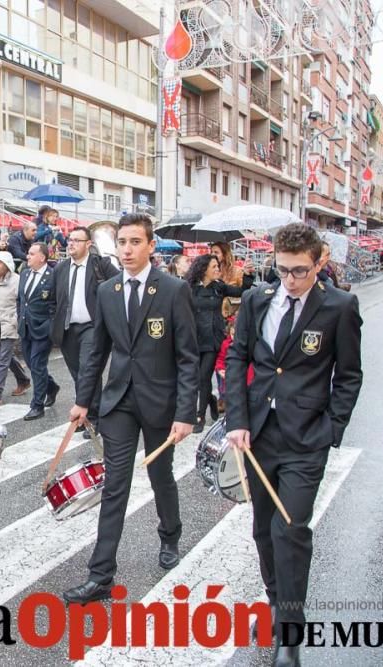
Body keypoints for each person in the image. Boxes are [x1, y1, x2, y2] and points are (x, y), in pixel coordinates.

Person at [225, 223, 363, 666]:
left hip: (306, 439)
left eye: (300, 271)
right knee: (264, 529)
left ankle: (290, 631)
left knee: (292, 530)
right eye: (283, 270)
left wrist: (331, 429)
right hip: (260, 434)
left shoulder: (339, 306)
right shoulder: (256, 299)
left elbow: (349, 374)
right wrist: (237, 420)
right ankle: (273, 600)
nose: (290, 280)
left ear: (319, 262)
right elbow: (238, 357)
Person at [62, 213, 198, 604]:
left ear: (151, 246)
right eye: (122, 242)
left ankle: (170, 534)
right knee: (115, 485)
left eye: (135, 242)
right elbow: (96, 351)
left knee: (161, 477)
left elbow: (188, 357)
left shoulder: (173, 290)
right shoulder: (107, 291)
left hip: (161, 403)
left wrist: (186, 412)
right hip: (119, 401)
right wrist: (83, 400)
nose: (127, 249)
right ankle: (100, 574)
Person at [52, 226, 119, 433]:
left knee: (88, 370)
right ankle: (84, 410)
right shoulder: (61, 268)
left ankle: (94, 417)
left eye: (76, 240)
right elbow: (54, 300)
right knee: (77, 373)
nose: (70, 244)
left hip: (92, 327)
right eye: (69, 240)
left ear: (88, 244)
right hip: (67, 329)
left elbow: (119, 287)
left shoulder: (101, 265)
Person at [186, 253, 248, 432]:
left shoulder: (219, 287)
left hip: (213, 338)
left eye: (218, 266)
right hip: (195, 338)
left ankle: (199, 416)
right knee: (195, 378)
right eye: (214, 267)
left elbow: (241, 291)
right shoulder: (189, 288)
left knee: (204, 377)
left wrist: (248, 275)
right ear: (203, 269)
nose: (217, 270)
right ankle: (210, 399)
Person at [18, 242, 59, 421]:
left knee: (36, 364)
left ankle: (37, 405)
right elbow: (21, 300)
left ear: (42, 257)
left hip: (43, 329)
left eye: (32, 254)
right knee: (32, 363)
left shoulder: (53, 276)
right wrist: (20, 317)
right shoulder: (25, 273)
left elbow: (57, 304)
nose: (28, 256)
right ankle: (51, 387)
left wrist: (50, 326)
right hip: (26, 327)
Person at [0, 251, 31, 406]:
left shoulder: (18, 281)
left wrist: (17, 321)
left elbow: (23, 303)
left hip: (10, 324)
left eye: (0, 262)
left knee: (1, 360)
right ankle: (23, 380)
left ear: (7, 265)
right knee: (6, 357)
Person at [210, 240, 255, 318]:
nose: (212, 255)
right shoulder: (210, 272)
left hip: (232, 317)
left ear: (224, 255)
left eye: (216, 252)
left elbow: (244, 293)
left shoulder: (237, 271)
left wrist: (247, 275)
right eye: (211, 252)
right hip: (214, 316)